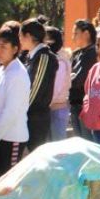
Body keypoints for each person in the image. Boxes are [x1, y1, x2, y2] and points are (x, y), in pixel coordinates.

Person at [0, 23, 30, 181]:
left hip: (11, 138)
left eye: (3, 47)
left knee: (8, 184)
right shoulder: (1, 70)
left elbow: (11, 111)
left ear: (15, 49)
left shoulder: (18, 74)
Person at [20, 18, 59, 152]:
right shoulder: (30, 56)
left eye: (20, 36)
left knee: (35, 156)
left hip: (35, 118)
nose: (19, 40)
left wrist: (21, 110)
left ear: (28, 36)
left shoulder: (43, 57)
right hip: (29, 116)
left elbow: (36, 89)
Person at [70, 20, 98, 140]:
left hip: (87, 106)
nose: (73, 37)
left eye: (76, 33)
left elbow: (81, 79)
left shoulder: (93, 53)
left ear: (86, 33)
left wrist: (70, 79)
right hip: (75, 104)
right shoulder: (77, 54)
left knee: (88, 142)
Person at [46, 26, 72, 141]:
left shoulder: (60, 61)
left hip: (57, 109)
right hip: (52, 108)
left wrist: (44, 103)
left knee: (58, 146)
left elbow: (56, 88)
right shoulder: (55, 58)